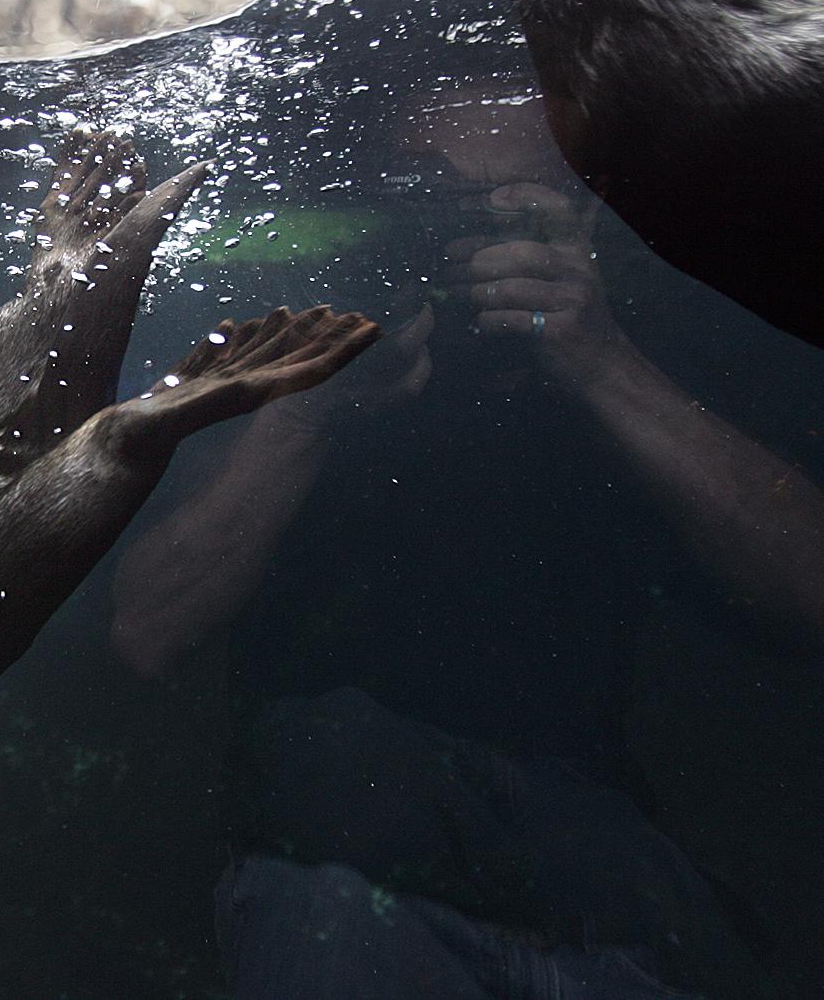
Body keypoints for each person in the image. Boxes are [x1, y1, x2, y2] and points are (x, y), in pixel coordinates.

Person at [110, 83, 824, 997]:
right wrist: (303, 416)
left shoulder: (656, 326)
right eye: (434, 197)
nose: (470, 235)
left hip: (598, 881)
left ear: (592, 208)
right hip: (342, 868)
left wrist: (600, 358)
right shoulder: (287, 339)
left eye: (514, 203)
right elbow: (147, 629)